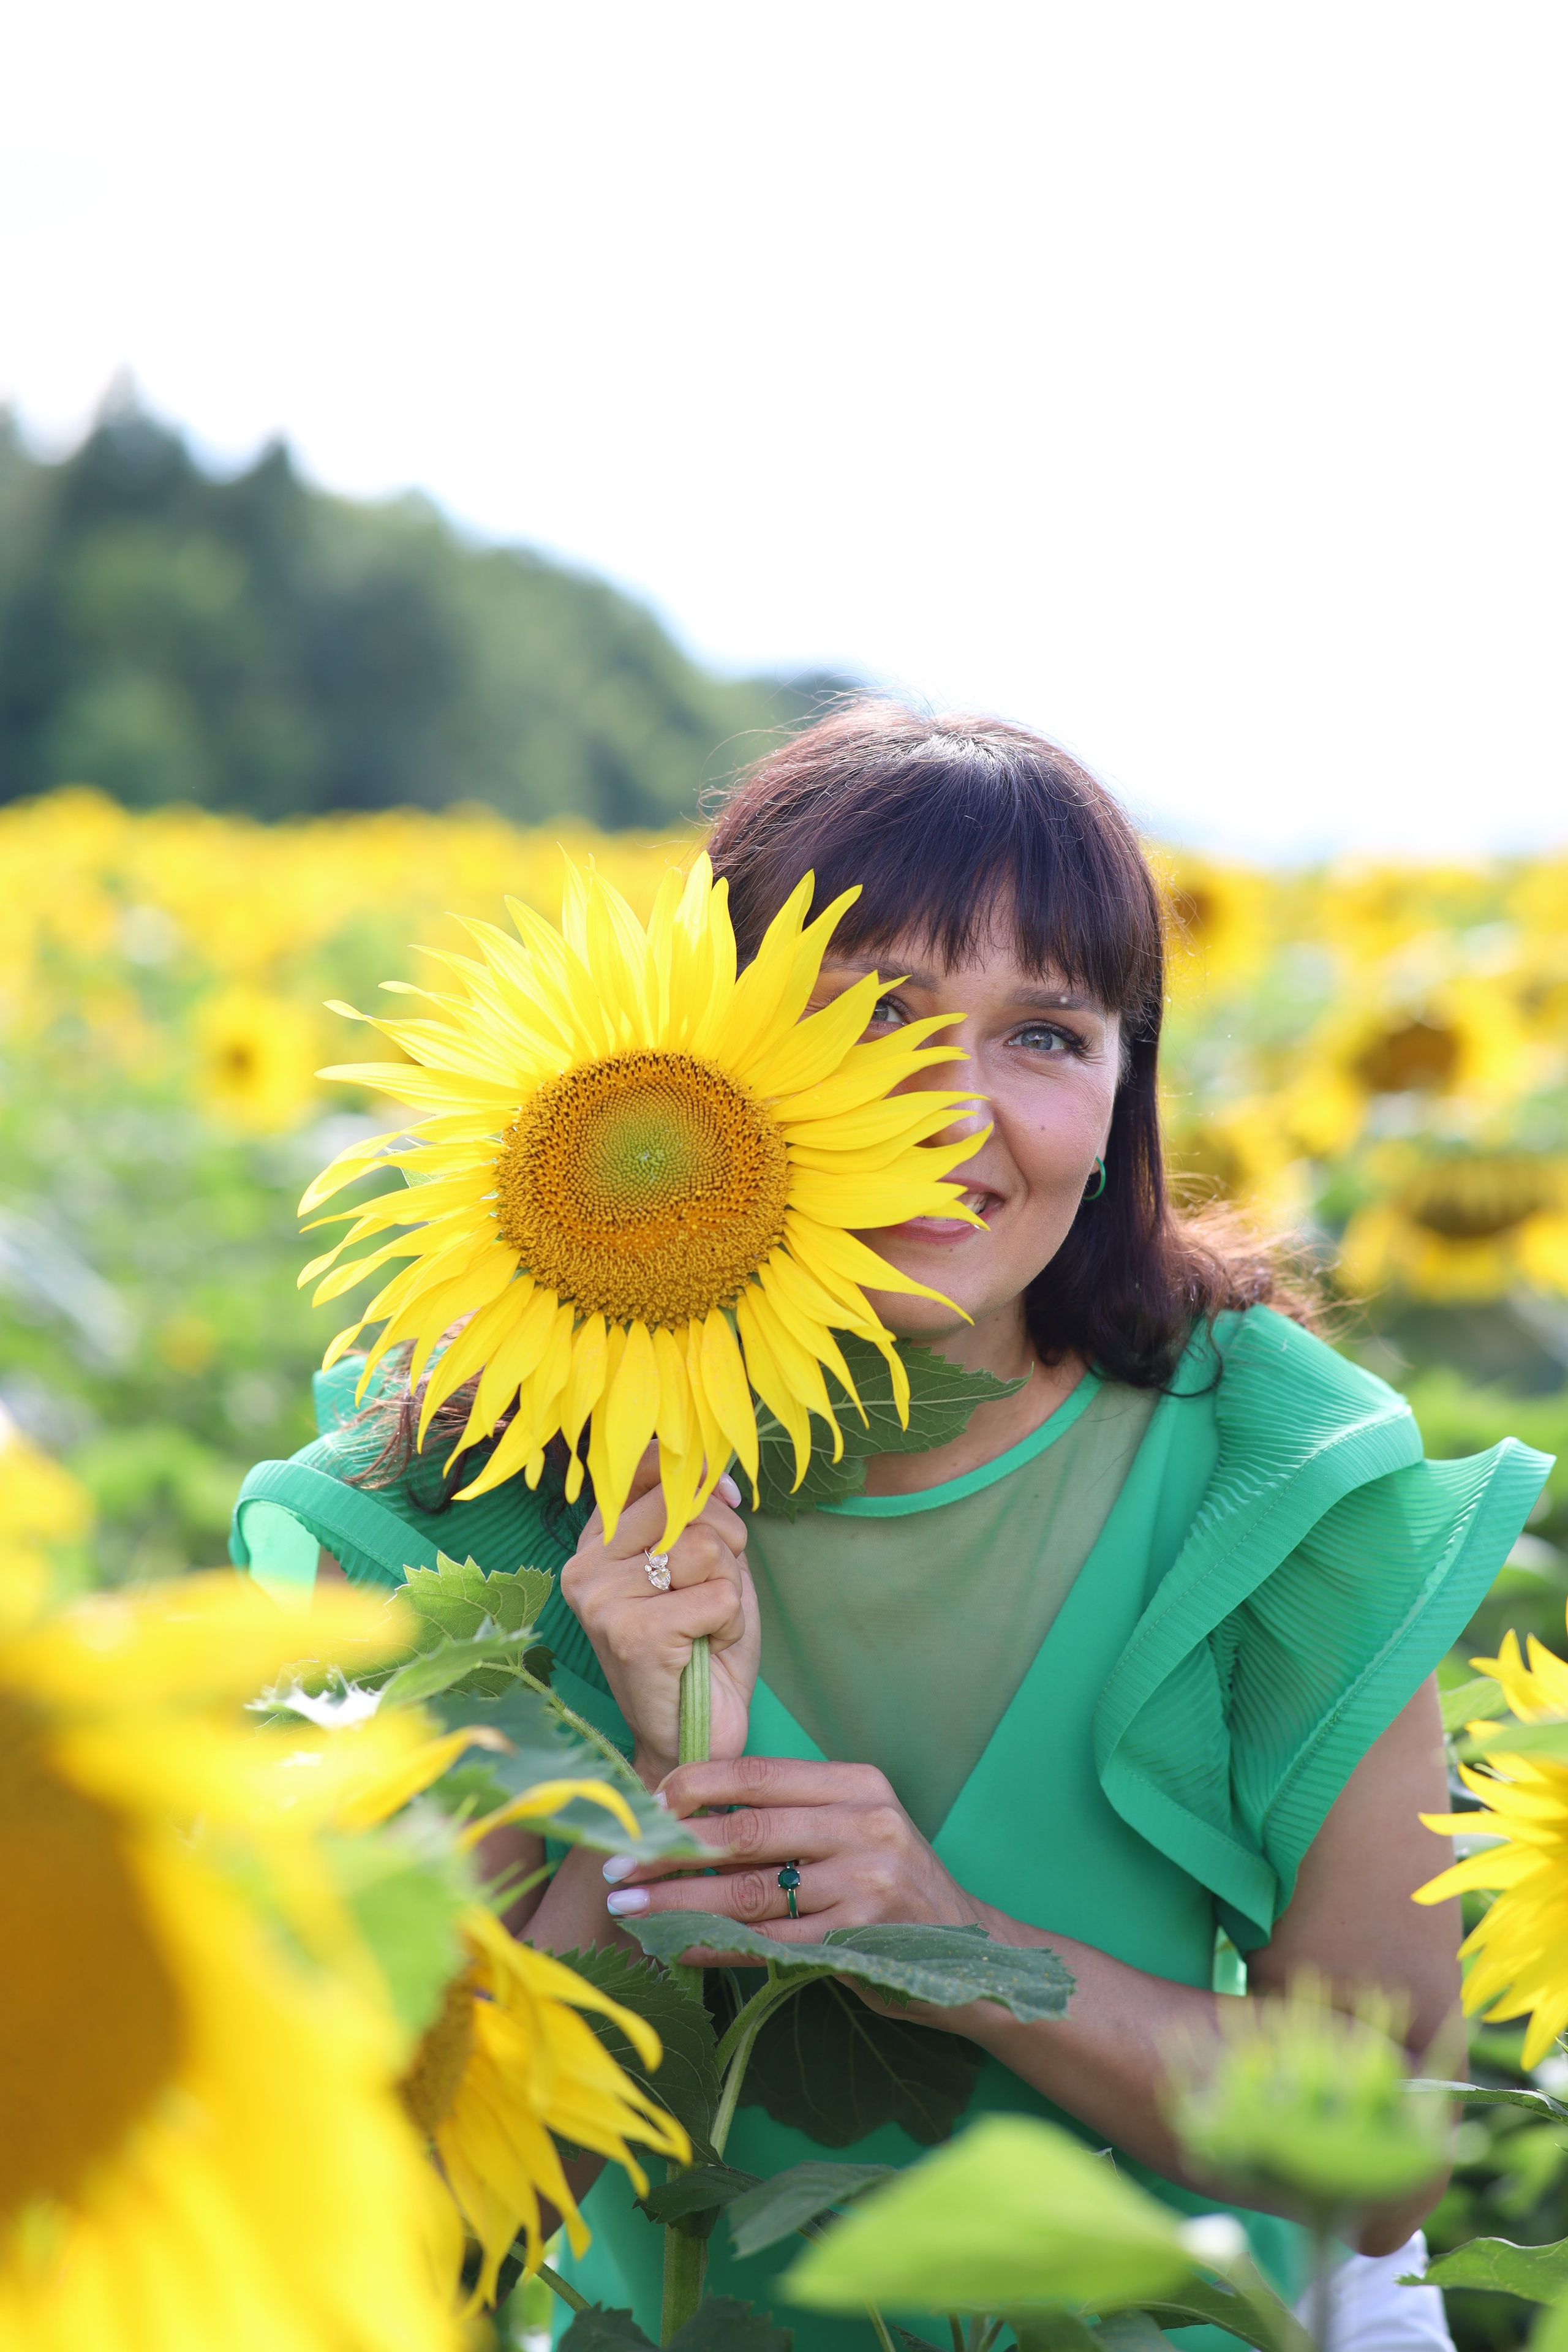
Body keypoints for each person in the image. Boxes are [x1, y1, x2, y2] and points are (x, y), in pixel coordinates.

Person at [233, 706, 1550, 2352]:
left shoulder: (1265, 1477)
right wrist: (634, 1806)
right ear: (710, 1048)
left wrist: (959, 1946)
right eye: (872, 1015)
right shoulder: (470, 1500)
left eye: (1046, 1035)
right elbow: (412, 2220)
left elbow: (1385, 2153)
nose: (951, 1109)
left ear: (1124, 1093)